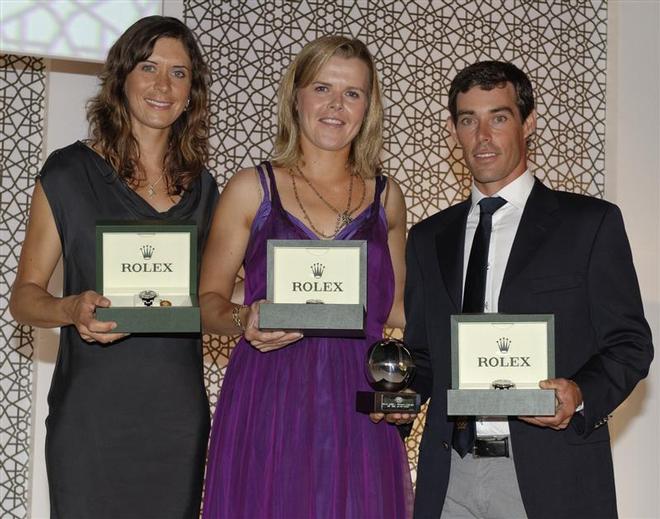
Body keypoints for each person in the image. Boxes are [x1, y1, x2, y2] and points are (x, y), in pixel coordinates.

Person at [402, 61, 653, 519]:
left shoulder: (590, 224)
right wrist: (397, 399)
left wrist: (578, 393)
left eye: (498, 117)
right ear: (453, 130)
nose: (482, 136)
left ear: (528, 122)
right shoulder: (426, 237)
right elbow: (423, 356)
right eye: (467, 120)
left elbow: (631, 344)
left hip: (551, 470)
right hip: (449, 473)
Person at [9, 16, 218, 519]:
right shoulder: (67, 172)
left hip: (176, 417)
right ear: (122, 77)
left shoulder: (205, 188)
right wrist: (71, 308)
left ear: (192, 94)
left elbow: (212, 289)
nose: (163, 85)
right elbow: (24, 296)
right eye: (149, 67)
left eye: (179, 73)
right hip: (91, 416)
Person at [200, 35, 413, 518]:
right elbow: (206, 302)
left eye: (353, 93)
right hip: (270, 394)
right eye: (322, 88)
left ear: (368, 107)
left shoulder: (387, 197)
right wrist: (244, 318)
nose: (337, 105)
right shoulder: (251, 189)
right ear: (296, 96)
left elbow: (397, 307)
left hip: (360, 401)